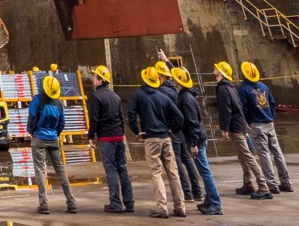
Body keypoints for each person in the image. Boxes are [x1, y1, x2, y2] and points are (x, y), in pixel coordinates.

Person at [128, 65, 186, 219]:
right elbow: (179, 117)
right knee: (173, 172)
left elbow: (131, 114)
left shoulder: (138, 95)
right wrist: (171, 130)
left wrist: (137, 131)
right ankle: (180, 206)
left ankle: (162, 208)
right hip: (165, 137)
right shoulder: (163, 97)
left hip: (151, 137)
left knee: (156, 172)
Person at [213, 64, 270, 201]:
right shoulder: (230, 87)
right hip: (239, 125)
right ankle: (248, 183)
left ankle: (263, 187)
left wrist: (224, 129)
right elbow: (238, 107)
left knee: (247, 156)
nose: (213, 69)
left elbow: (226, 110)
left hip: (236, 127)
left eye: (216, 68)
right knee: (242, 156)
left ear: (221, 72)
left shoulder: (223, 89)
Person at [171, 66, 221, 216]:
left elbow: (193, 123)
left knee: (205, 172)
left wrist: (193, 143)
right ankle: (210, 199)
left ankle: (215, 203)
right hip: (198, 138)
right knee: (203, 171)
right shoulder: (188, 95)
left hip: (197, 140)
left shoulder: (185, 99)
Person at [27, 73, 78, 215]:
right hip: (53, 138)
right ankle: (71, 202)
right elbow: (62, 123)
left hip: (39, 138)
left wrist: (31, 131)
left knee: (40, 171)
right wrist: (55, 134)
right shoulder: (59, 103)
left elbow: (31, 117)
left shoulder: (37, 100)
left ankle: (44, 205)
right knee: (60, 170)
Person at [237, 63, 291, 194]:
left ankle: (271, 184)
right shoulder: (264, 87)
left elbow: (242, 108)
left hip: (257, 124)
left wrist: (247, 122)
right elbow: (272, 104)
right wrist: (270, 117)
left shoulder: (243, 89)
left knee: (264, 154)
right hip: (269, 122)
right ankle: (286, 182)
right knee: (277, 152)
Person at [88, 64, 134, 215]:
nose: (93, 79)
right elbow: (121, 118)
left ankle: (115, 203)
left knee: (111, 170)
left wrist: (91, 136)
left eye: (95, 77)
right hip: (118, 137)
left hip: (106, 137)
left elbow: (94, 118)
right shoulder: (115, 96)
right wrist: (121, 134)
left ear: (100, 80)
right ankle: (129, 202)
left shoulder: (96, 97)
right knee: (122, 168)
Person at [158, 64, 200, 206]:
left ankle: (187, 193)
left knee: (176, 162)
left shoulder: (162, 91)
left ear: (160, 75)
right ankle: (197, 191)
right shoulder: (175, 89)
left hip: (172, 129)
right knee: (187, 160)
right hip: (181, 129)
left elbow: (165, 112)